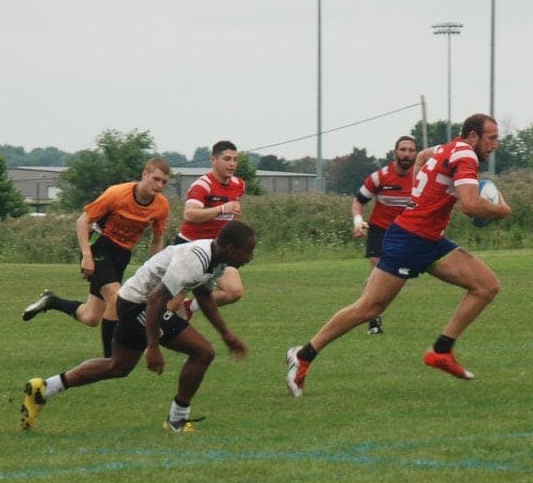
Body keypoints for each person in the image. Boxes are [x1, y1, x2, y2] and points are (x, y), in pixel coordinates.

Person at [285, 113, 511, 396]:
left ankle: (441, 351)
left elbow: (421, 158)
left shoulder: (447, 148)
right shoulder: (466, 155)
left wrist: (420, 194)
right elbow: (469, 205)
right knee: (369, 308)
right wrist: (501, 210)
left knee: (486, 285)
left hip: (429, 240)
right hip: (409, 239)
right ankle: (303, 355)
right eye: (492, 137)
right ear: (474, 136)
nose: (496, 144)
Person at [20, 221, 255, 435]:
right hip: (139, 304)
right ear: (232, 248)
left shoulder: (218, 261)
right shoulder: (194, 260)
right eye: (248, 250)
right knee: (203, 352)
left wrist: (226, 334)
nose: (250, 257)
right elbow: (155, 300)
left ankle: (45, 388)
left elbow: (203, 294)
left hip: (135, 301)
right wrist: (152, 347)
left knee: (118, 366)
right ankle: (177, 420)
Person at [21, 158, 172, 357]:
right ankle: (111, 358)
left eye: (164, 182)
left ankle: (52, 301)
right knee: (119, 300)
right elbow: (82, 221)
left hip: (122, 255)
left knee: (91, 317)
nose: (159, 185)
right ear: (145, 174)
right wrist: (87, 256)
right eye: (156, 179)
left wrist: (156, 271)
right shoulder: (117, 194)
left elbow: (157, 239)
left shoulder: (161, 205)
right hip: (99, 247)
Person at [350, 134, 419, 333]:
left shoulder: (421, 178)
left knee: (393, 278)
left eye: (411, 150)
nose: (407, 154)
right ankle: (373, 320)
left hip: (407, 232)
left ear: (416, 154)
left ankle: (370, 305)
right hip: (380, 230)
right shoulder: (379, 177)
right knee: (377, 272)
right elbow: (358, 202)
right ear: (395, 152)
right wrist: (357, 221)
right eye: (403, 150)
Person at [172, 141, 247, 311]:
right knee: (171, 305)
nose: (232, 164)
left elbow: (230, 215)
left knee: (233, 291)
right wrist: (221, 209)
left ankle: (188, 309)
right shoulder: (202, 185)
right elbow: (189, 214)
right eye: (227, 159)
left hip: (217, 249)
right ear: (213, 160)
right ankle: (149, 329)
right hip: (190, 247)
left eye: (235, 159)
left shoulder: (239, 185)